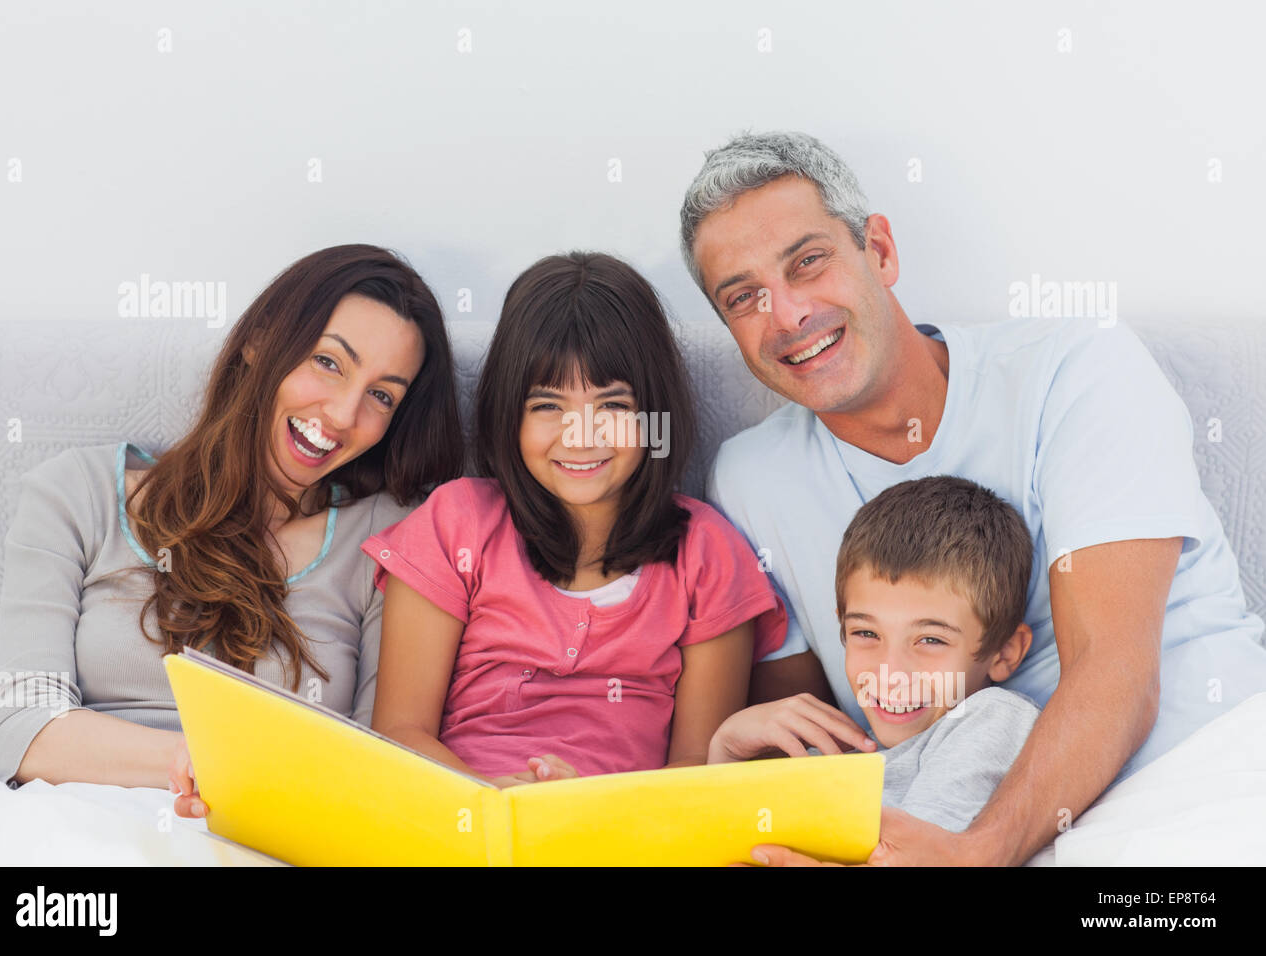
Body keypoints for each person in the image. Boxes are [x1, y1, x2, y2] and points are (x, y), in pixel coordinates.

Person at [679, 130, 1266, 865]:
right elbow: (818, 741)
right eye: (745, 297)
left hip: (1197, 784)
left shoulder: (1078, 370)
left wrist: (978, 854)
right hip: (951, 828)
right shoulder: (750, 478)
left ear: (881, 251)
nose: (790, 313)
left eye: (809, 262)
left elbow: (1115, 671)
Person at [0, 244, 464, 818]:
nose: (341, 414)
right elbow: (18, 726)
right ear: (259, 343)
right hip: (69, 826)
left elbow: (374, 766)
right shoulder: (76, 493)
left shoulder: (386, 538)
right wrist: (198, 759)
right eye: (328, 362)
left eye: (382, 396)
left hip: (265, 835)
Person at [361, 251, 787, 787]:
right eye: (546, 406)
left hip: (625, 837)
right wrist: (502, 804)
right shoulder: (457, 522)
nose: (581, 436)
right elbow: (399, 735)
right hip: (461, 820)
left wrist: (582, 818)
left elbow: (696, 774)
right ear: (507, 414)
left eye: (611, 406)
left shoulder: (707, 553)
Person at [710, 476, 1042, 836]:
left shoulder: (995, 718)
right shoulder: (833, 756)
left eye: (930, 640)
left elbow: (917, 854)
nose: (891, 672)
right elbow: (716, 838)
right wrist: (725, 751)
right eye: (867, 633)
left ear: (1004, 652)